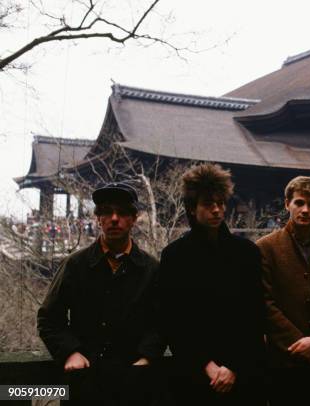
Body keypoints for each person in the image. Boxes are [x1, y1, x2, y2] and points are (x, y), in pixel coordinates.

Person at [37, 182, 164, 406]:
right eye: (107, 212)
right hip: (86, 379)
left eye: (123, 213)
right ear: (98, 219)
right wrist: (69, 352)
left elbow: (162, 321)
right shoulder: (75, 265)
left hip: (133, 382)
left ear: (133, 219)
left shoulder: (150, 268)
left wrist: (147, 356)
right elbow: (49, 317)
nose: (114, 219)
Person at [158, 163, 265, 406]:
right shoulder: (174, 256)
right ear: (192, 209)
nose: (216, 210)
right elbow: (173, 318)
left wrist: (233, 366)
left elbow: (255, 314)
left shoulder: (246, 252)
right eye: (208, 204)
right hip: (195, 376)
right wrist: (205, 364)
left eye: (220, 203)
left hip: (242, 373)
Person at [256, 176, 310, 406]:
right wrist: (298, 342)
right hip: (283, 358)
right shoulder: (266, 248)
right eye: (299, 203)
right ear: (287, 204)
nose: (305, 210)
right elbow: (264, 302)